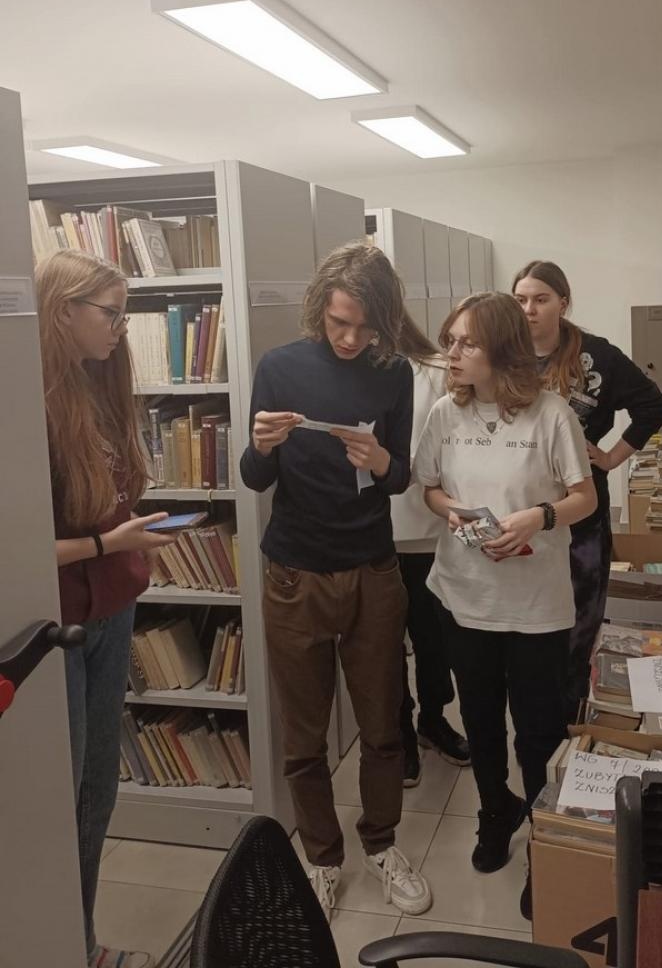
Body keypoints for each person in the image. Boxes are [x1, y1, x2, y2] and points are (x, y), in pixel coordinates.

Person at [240, 242, 434, 921]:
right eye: (339, 323)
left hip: (372, 571)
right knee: (304, 736)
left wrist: (379, 459)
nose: (351, 339)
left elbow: (399, 478)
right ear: (319, 306)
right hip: (294, 572)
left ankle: (381, 844)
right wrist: (260, 445)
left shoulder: (393, 372)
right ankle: (321, 858)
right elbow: (255, 478)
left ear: (385, 320)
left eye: (365, 327)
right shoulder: (280, 366)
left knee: (382, 725)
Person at [414, 292, 597, 877]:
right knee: (482, 719)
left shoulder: (552, 414)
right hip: (464, 594)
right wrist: (455, 513)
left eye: (466, 343)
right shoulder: (445, 413)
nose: (452, 353)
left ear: (501, 348)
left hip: (536, 604)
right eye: (450, 341)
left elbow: (584, 498)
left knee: (538, 730)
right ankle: (495, 811)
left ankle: (547, 838)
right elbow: (430, 489)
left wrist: (538, 517)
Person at [36, 249, 180, 968]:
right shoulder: (25, 405)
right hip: (51, 626)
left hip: (112, 608)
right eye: (111, 314)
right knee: (58, 798)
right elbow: (15, 552)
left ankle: (81, 941)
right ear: (62, 312)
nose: (122, 329)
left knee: (97, 791)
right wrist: (105, 542)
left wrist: (125, 541)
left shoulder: (102, 388)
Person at [512, 262, 662, 720]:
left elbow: (654, 406)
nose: (529, 310)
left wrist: (612, 457)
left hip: (580, 509)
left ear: (563, 303)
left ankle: (569, 717)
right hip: (519, 506)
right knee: (525, 621)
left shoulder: (597, 356)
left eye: (541, 299)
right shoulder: (504, 354)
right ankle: (532, 709)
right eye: (520, 300)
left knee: (579, 618)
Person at [392, 356, 470, 787]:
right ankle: (400, 731)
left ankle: (433, 720)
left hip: (428, 530)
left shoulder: (434, 369)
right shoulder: (348, 370)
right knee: (386, 646)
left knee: (433, 639)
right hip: (371, 534)